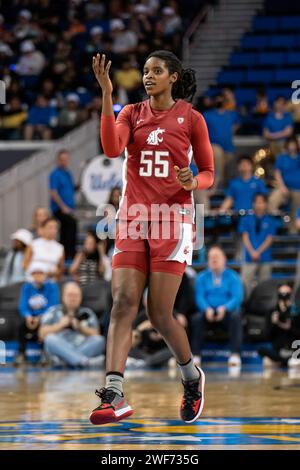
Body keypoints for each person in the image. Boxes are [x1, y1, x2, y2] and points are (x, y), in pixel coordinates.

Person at [89, 50, 214, 425]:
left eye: (157, 71)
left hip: (173, 219)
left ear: (173, 77)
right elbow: (112, 149)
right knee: (124, 303)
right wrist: (107, 95)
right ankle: (114, 393)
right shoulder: (130, 113)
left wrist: (195, 181)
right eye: (145, 71)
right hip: (133, 217)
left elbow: (208, 171)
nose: (148, 76)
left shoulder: (191, 118)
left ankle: (191, 376)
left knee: (159, 314)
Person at [191, 246, 243, 367]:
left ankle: (235, 354)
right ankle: (196, 354)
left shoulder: (233, 276)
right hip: (208, 312)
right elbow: (199, 297)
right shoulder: (202, 277)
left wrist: (225, 308)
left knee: (236, 317)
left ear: (224, 259)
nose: (214, 260)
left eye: (217, 257)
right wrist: (206, 308)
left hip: (227, 313)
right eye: (211, 257)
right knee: (196, 318)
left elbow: (237, 297)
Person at [39, 282, 105, 368]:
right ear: (63, 296)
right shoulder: (53, 311)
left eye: (76, 295)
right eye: (70, 295)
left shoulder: (87, 313)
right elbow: (41, 334)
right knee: (50, 339)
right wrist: (60, 325)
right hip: (60, 345)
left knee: (99, 340)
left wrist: (80, 327)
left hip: (82, 345)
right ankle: (83, 361)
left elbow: (96, 333)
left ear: (80, 297)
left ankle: (66, 360)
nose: (73, 298)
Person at [14, 262, 59, 366]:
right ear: (32, 275)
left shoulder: (52, 286)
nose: (38, 276)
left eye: (41, 273)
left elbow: (53, 305)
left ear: (45, 275)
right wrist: (28, 316)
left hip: (45, 317)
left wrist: (40, 317)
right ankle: (21, 354)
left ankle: (45, 354)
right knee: (21, 325)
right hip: (30, 317)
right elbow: (23, 305)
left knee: (47, 324)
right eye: (36, 273)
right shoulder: (26, 287)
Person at [239, 193, 277, 297]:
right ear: (253, 204)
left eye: (261, 202)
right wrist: (252, 252)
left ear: (266, 204)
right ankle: (244, 306)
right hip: (249, 257)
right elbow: (245, 236)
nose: (259, 205)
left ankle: (263, 307)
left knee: (264, 285)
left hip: (265, 257)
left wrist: (258, 252)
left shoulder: (270, 220)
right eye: (257, 202)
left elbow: (269, 239)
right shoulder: (246, 219)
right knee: (245, 284)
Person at [258, 283, 300, 369]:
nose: (284, 296)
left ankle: (282, 361)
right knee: (262, 352)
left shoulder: (296, 311)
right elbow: (267, 336)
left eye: (287, 294)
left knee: (294, 361)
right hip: (279, 350)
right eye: (281, 294)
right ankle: (284, 361)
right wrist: (274, 323)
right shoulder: (272, 312)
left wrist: (290, 327)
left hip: (295, 349)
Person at [203, 94, 239, 187]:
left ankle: (226, 187)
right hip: (213, 146)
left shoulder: (231, 114)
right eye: (218, 100)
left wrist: (232, 130)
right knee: (218, 156)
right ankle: (219, 183)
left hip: (229, 147)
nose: (220, 102)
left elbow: (237, 123)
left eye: (222, 100)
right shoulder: (207, 115)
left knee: (230, 170)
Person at [49, 149, 77, 259]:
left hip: (69, 208)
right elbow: (53, 192)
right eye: (62, 159)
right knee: (70, 226)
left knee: (68, 229)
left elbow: (71, 189)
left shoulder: (68, 174)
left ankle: (67, 255)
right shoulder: (55, 174)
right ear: (58, 160)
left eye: (66, 159)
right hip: (59, 209)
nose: (64, 162)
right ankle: (68, 255)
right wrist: (63, 207)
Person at [268, 136, 300, 230]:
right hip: (283, 188)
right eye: (290, 144)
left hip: (298, 190)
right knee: (272, 200)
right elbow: (277, 173)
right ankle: (271, 226)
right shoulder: (282, 158)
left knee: (296, 211)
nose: (291, 146)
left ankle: (292, 231)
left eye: (293, 144)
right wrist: (282, 187)